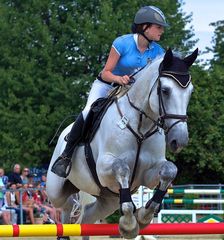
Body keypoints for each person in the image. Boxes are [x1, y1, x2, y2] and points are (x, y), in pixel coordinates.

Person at [51, 5, 168, 178]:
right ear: (145, 27)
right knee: (87, 111)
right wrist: (119, 79)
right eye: (158, 27)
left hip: (131, 92)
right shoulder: (122, 43)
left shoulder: (159, 52)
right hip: (107, 86)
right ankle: (66, 156)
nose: (162, 32)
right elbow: (106, 73)